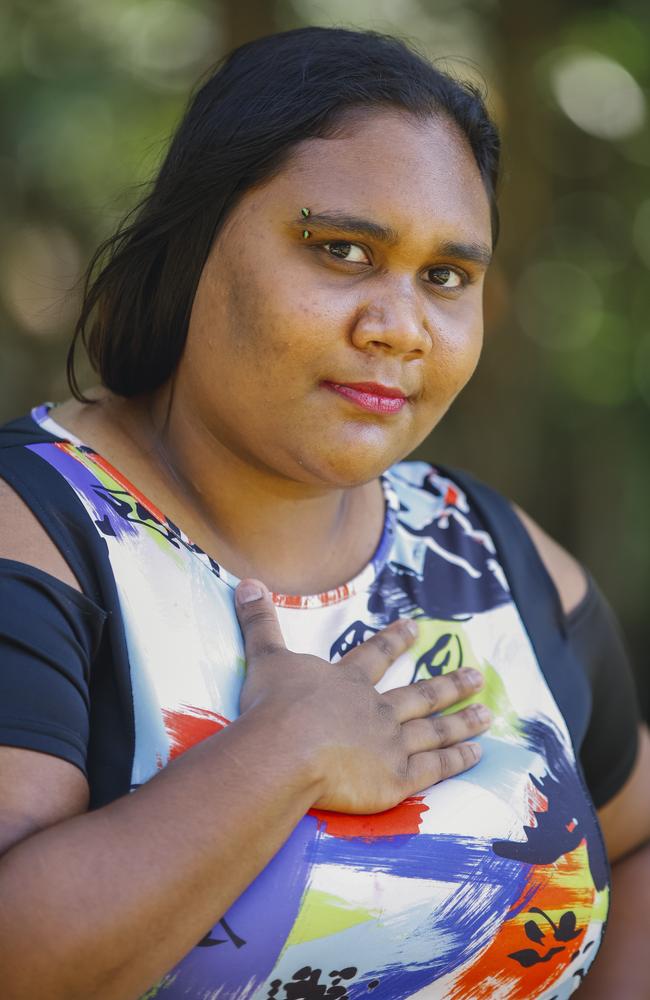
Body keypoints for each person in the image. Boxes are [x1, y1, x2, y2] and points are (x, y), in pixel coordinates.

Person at [0, 26, 648, 1000]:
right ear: (196, 239)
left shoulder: (494, 554)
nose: (397, 327)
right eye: (340, 250)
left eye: (444, 277)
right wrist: (284, 754)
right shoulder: (41, 528)